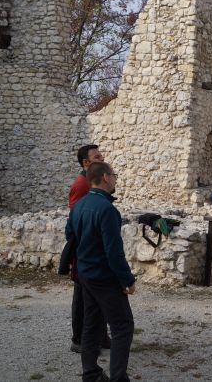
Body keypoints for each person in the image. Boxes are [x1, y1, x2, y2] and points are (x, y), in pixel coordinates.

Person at [66, 162, 136, 382]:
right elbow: (113, 253)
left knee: (92, 324)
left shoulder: (79, 206)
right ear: (105, 177)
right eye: (114, 175)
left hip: (85, 274)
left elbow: (70, 235)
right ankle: (118, 378)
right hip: (104, 277)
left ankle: (91, 373)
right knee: (123, 326)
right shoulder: (107, 209)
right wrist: (127, 280)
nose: (115, 179)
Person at [68, 144, 110, 353]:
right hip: (85, 252)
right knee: (83, 296)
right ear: (86, 163)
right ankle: (79, 339)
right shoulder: (82, 184)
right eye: (97, 157)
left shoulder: (89, 182)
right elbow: (77, 220)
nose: (102, 158)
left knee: (96, 295)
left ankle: (100, 336)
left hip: (91, 250)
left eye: (101, 155)